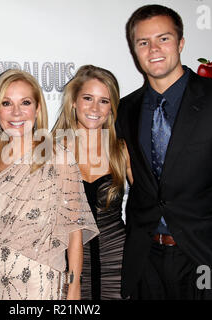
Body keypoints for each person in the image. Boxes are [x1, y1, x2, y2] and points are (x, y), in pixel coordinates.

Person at [117, 5, 212, 300]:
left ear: (181, 43)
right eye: (143, 42)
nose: (153, 49)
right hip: (146, 261)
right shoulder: (126, 109)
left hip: (207, 262)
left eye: (163, 39)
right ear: (134, 49)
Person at [0, 69, 99, 300]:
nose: (16, 112)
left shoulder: (58, 157)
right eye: (6, 103)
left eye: (25, 102)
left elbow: (75, 232)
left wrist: (73, 290)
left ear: (37, 109)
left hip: (41, 284)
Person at [52, 65, 132, 299]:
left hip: (117, 260)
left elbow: (154, 201)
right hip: (65, 263)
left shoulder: (121, 151)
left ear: (112, 108)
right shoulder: (51, 149)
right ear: (74, 101)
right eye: (88, 98)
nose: (95, 108)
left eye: (104, 101)